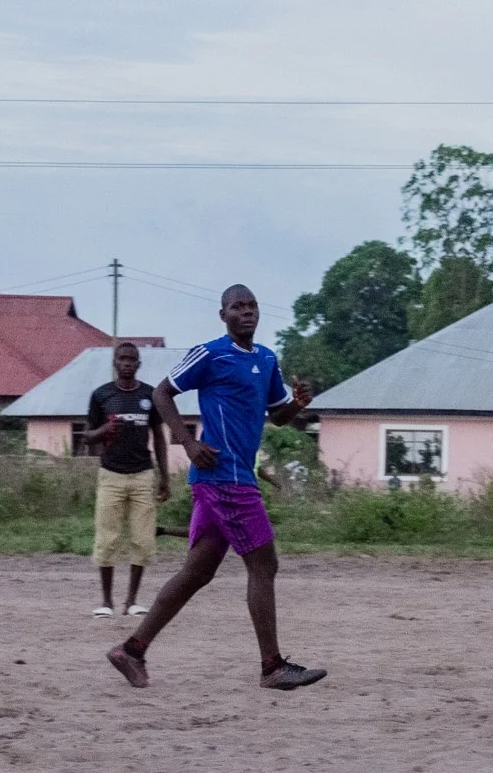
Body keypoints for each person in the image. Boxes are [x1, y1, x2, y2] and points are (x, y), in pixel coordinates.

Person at [105, 285, 326, 692]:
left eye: (252, 306)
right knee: (264, 566)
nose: (247, 313)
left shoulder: (266, 359)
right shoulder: (210, 353)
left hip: (233, 477)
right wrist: (187, 443)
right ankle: (272, 666)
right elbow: (161, 393)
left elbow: (277, 416)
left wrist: (297, 403)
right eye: (237, 307)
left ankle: (131, 650)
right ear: (222, 315)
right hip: (225, 478)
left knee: (197, 573)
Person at [85, 341, 170, 617]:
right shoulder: (101, 395)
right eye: (122, 359)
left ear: (138, 364)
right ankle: (106, 602)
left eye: (132, 360)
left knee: (143, 540)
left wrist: (164, 476)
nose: (127, 363)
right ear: (115, 362)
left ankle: (131, 601)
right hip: (110, 475)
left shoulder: (150, 395)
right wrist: (105, 429)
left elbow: (158, 437)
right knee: (107, 539)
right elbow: (87, 437)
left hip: (143, 475)